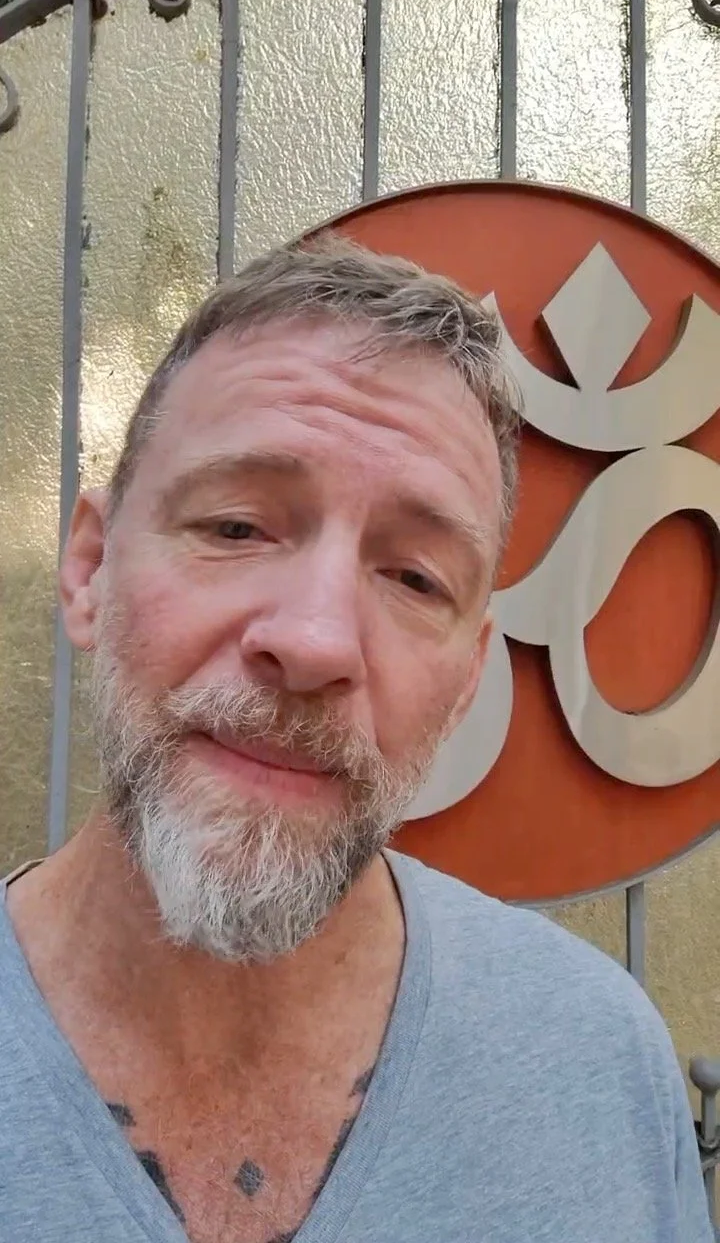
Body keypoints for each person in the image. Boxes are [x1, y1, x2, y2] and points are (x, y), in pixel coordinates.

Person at [0, 237, 712, 1243]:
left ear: (467, 682)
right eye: (236, 526)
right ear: (89, 569)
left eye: (414, 577)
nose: (315, 642)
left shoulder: (599, 1063)